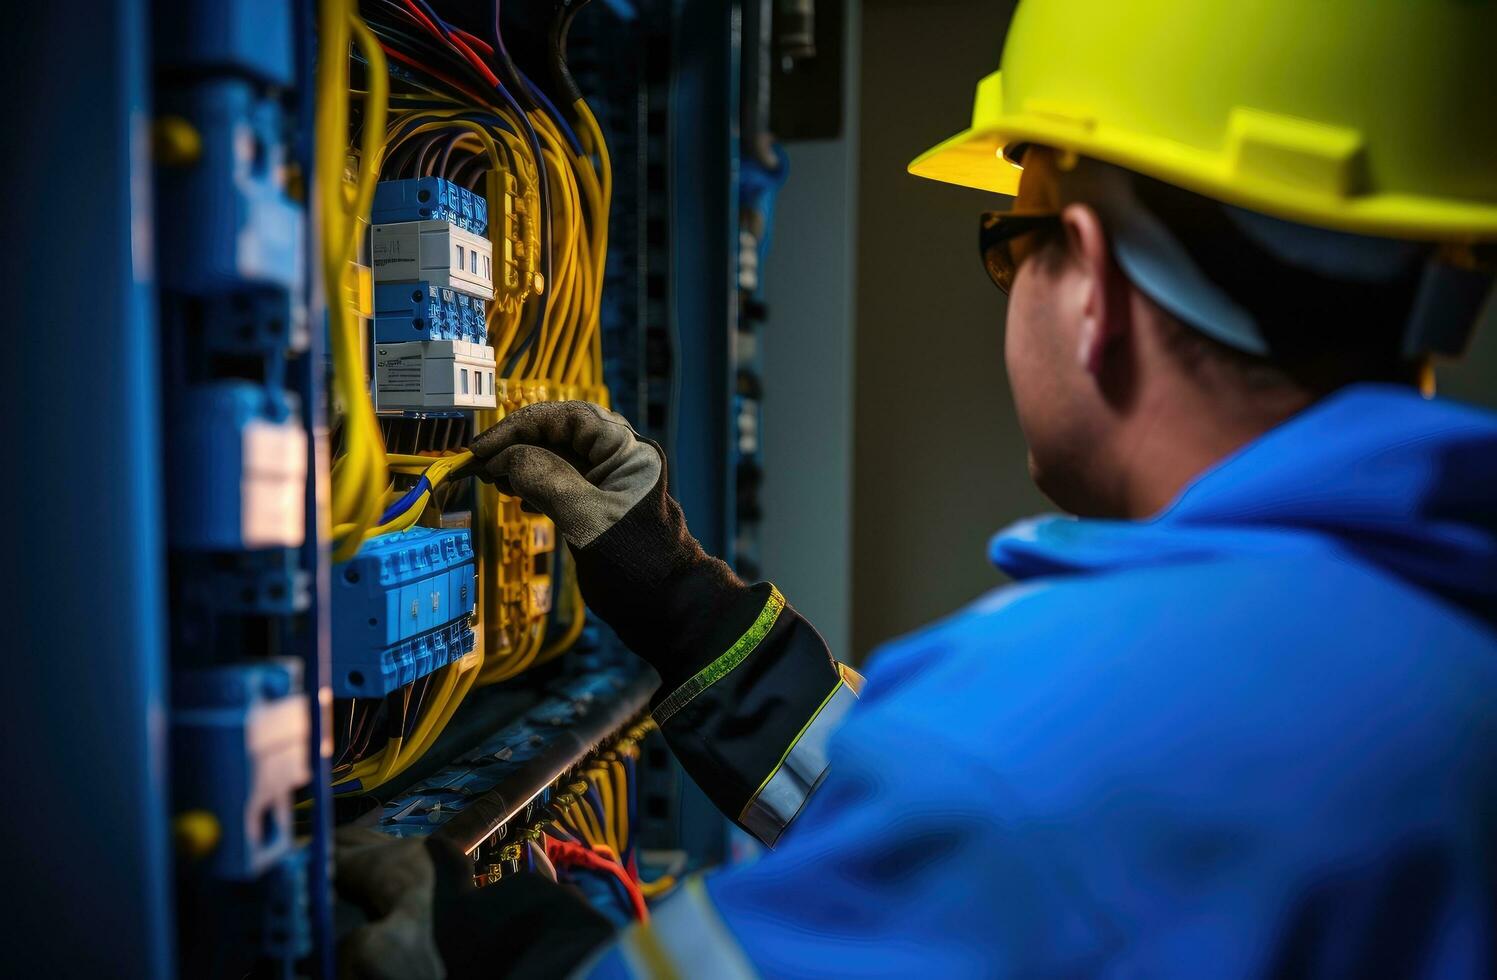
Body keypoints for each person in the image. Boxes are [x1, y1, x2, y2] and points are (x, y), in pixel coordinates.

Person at [336, 0, 1497, 975]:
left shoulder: (1064, 724)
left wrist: (488, 942)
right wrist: (681, 601)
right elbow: (958, 843)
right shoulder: (1424, 634)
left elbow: (1001, 799)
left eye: (1009, 236)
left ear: (1088, 279)